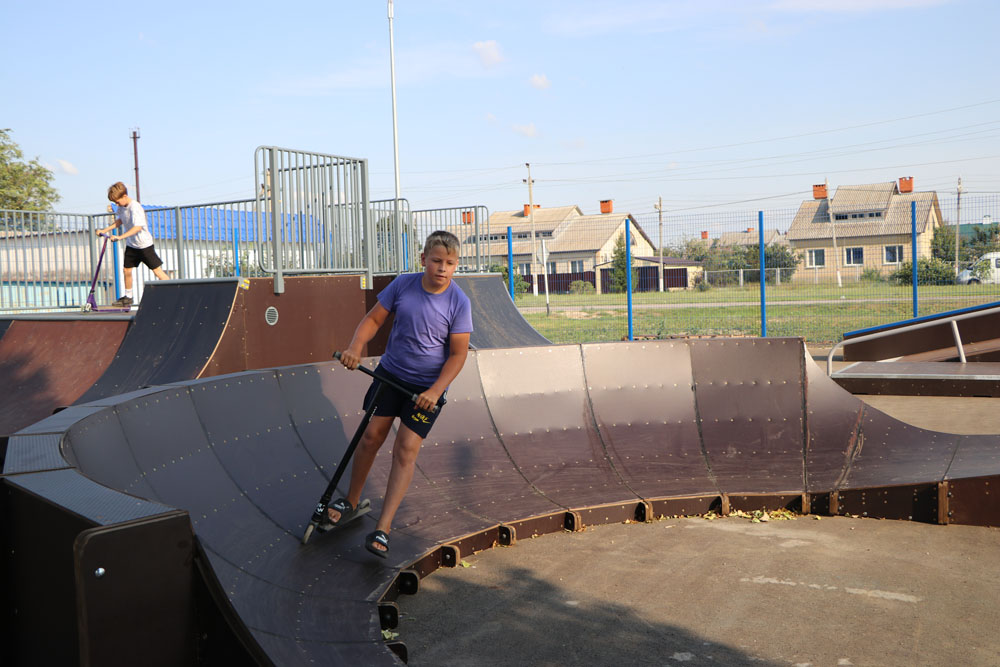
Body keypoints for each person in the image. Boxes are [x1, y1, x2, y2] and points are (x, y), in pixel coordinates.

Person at [324, 230, 472, 558]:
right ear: (423, 259)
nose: (442, 268)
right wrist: (355, 347)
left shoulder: (459, 302)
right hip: (391, 375)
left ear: (456, 265)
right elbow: (373, 319)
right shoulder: (404, 284)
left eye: (450, 263)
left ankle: (384, 526)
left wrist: (435, 390)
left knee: (405, 449)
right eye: (436, 261)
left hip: (426, 390)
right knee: (371, 437)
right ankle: (351, 501)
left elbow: (458, 354)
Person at [96, 181, 170, 307]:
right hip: (132, 245)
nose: (116, 204)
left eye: (117, 202)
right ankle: (128, 297)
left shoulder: (135, 207)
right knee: (126, 270)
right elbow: (120, 220)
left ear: (125, 196)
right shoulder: (122, 207)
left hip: (144, 245)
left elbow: (137, 228)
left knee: (157, 271)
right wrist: (105, 230)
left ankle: (174, 292)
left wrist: (120, 237)